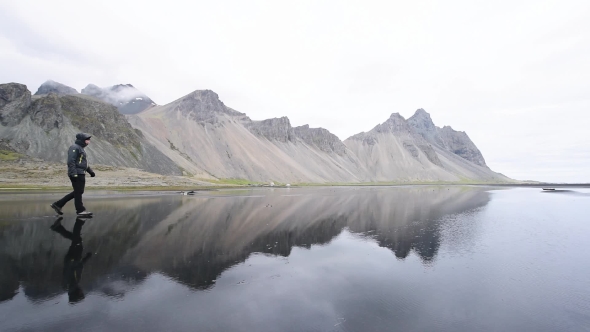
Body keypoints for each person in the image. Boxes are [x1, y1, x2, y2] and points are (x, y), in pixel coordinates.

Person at [50, 133, 95, 217]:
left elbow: (83, 163)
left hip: (80, 173)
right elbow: (71, 161)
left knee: (78, 191)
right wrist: (73, 173)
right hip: (77, 173)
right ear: (82, 140)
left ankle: (58, 204)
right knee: (78, 192)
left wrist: (90, 172)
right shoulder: (74, 147)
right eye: (87, 140)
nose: (88, 142)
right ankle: (80, 210)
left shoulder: (80, 148)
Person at [50, 217, 93, 303]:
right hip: (73, 258)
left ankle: (80, 220)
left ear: (77, 294)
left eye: (81, 294)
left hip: (74, 258)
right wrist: (85, 258)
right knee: (76, 239)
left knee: (77, 239)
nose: (82, 291)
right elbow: (78, 267)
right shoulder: (70, 286)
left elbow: (72, 269)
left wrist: (81, 259)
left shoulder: (72, 284)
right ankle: (58, 227)